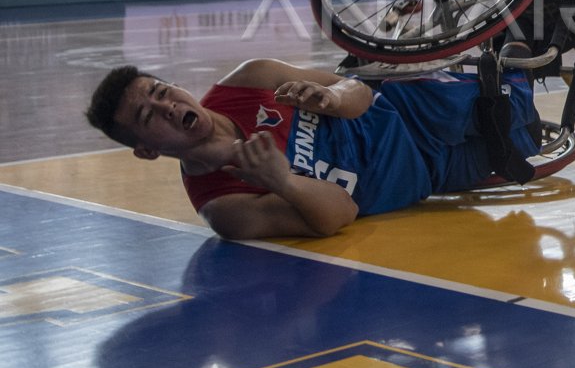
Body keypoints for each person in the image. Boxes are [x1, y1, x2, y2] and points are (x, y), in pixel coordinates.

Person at [84, 58, 540, 239]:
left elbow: (357, 87)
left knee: (510, 105)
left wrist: (333, 99)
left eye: (162, 91)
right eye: (148, 116)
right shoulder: (225, 208)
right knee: (525, 146)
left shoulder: (249, 80)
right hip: (425, 176)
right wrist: (281, 181)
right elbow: (341, 212)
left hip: (411, 110)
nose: (167, 107)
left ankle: (531, 42)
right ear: (145, 150)